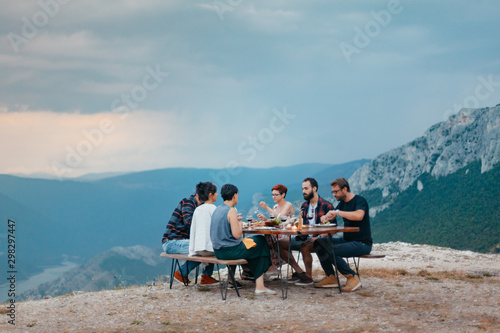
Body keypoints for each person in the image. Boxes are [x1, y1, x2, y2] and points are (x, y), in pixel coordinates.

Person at [210, 184, 276, 295]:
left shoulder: (217, 209)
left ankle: (252, 274)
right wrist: (239, 222)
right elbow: (237, 235)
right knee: (262, 241)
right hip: (229, 251)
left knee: (256, 243)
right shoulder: (231, 210)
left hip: (218, 251)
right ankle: (261, 280)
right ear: (234, 195)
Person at [313, 177, 372, 292]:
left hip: (362, 243)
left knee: (331, 250)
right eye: (333, 192)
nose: (334, 194)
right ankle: (331, 277)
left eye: (336, 191)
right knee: (319, 243)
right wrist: (326, 217)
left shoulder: (359, 200)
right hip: (348, 240)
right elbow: (333, 216)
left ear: (344, 189)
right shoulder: (342, 204)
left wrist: (338, 213)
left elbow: (359, 215)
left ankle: (352, 277)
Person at [278, 177, 333, 285]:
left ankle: (308, 277)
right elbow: (301, 225)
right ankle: (299, 271)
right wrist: (294, 224)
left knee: (304, 246)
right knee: (278, 244)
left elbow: (332, 229)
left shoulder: (327, 206)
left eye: (306, 188)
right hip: (303, 237)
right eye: (302, 188)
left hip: (319, 239)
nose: (304, 191)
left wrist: (318, 237)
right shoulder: (304, 206)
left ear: (315, 188)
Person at [161, 182, 218, 285]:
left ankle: (206, 276)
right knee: (202, 247)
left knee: (207, 244)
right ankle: (181, 273)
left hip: (181, 241)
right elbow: (190, 222)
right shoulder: (188, 202)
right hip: (172, 242)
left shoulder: (200, 206)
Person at [256, 184, 295, 270]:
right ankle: (271, 264)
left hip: (287, 233)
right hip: (277, 232)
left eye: (276, 195)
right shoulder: (275, 207)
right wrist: (265, 219)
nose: (274, 197)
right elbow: (276, 222)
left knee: (269, 238)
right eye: (273, 195)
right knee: (267, 237)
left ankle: (273, 266)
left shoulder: (288, 205)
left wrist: (266, 207)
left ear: (283, 195)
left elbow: (281, 218)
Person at [189, 182, 218, 257]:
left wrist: (192, 249)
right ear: (210, 195)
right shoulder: (213, 208)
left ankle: (181, 269)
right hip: (211, 249)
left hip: (198, 248)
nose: (217, 194)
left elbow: (193, 230)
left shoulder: (197, 209)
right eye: (215, 193)